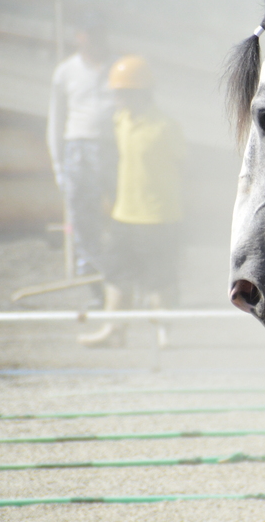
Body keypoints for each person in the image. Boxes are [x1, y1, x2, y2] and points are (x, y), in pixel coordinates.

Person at [78, 56, 185, 348]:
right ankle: (114, 330)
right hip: (124, 214)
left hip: (159, 216)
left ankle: (165, 333)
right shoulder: (119, 121)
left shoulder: (165, 126)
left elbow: (184, 165)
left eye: (121, 92)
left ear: (140, 92)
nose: (117, 98)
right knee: (115, 275)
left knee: (159, 280)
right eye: (116, 92)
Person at [46, 13, 115, 296]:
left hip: (113, 148)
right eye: (88, 33)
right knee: (82, 216)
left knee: (118, 213)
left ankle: (121, 273)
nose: (94, 39)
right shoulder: (66, 72)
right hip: (78, 149)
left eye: (99, 32)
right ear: (79, 38)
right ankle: (93, 277)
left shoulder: (118, 67)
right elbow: (55, 119)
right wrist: (58, 165)